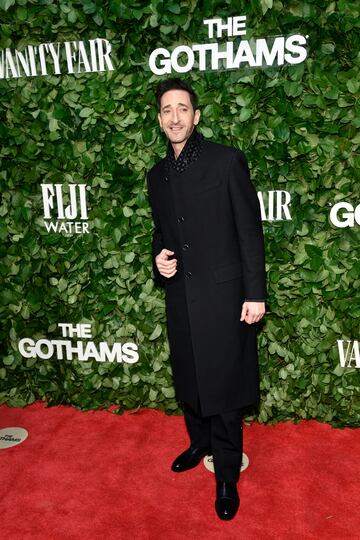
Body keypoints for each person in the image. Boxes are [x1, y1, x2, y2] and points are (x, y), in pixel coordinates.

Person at [147, 78, 266, 521]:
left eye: (182, 108)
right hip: (181, 296)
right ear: (159, 121)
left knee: (226, 386)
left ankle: (227, 475)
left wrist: (255, 293)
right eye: (166, 110)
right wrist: (158, 258)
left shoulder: (226, 162)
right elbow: (162, 232)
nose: (174, 116)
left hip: (224, 295)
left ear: (196, 117)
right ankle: (198, 443)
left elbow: (249, 232)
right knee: (191, 376)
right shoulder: (155, 176)